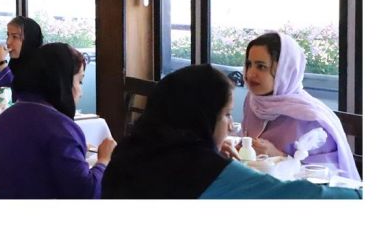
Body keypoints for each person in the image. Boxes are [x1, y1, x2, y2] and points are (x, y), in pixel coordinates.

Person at [102, 64, 358, 199]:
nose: (231, 125)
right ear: (201, 118)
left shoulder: (129, 151)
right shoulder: (202, 170)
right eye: (225, 114)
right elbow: (302, 197)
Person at [0, 43, 115, 198]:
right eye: (79, 81)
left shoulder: (2, 121)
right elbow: (87, 194)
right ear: (62, 82)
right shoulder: (61, 130)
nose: (80, 92)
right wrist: (104, 160)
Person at [241, 32, 360, 179]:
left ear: (285, 71)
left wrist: (279, 157)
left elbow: (329, 176)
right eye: (249, 64)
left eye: (261, 66)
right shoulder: (253, 102)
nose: (250, 74)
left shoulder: (311, 118)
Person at [0, 15, 44, 88]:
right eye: (8, 35)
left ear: (29, 41)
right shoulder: (16, 62)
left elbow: (16, 92)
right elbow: (12, 88)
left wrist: (1, 62)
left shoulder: (40, 67)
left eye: (15, 37)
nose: (8, 42)